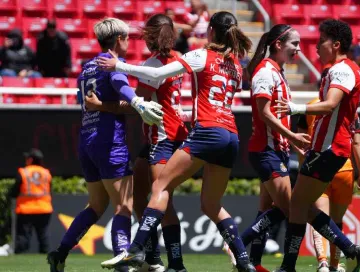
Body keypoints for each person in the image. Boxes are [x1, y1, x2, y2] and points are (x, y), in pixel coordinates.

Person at [97, 11, 256, 272]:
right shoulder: (236, 66)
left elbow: (159, 75)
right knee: (211, 204)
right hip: (231, 135)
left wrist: (119, 66)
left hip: (204, 131)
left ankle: (137, 250)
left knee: (160, 186)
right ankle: (244, 261)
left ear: (212, 32)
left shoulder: (199, 55)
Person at [46, 17, 163, 272]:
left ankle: (59, 253)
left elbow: (94, 104)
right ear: (119, 40)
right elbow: (122, 87)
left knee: (96, 205)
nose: (129, 42)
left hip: (87, 142)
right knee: (124, 206)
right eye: (127, 38)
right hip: (110, 142)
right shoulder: (113, 66)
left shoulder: (86, 68)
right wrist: (138, 104)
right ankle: (123, 260)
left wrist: (126, 106)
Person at [84, 14, 190, 272]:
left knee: (161, 201)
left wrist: (100, 106)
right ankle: (152, 258)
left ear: (149, 36)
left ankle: (175, 263)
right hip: (165, 133)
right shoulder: (176, 59)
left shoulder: (154, 63)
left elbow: (134, 106)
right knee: (141, 198)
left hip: (162, 137)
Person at [273, 19, 360, 272]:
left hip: (329, 149)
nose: (315, 47)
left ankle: (289, 266)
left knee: (298, 205)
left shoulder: (343, 70)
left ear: (336, 44)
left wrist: (296, 107)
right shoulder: (338, 69)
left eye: (321, 40)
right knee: (301, 205)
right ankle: (349, 249)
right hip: (323, 149)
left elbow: (330, 105)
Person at [222, 24, 310, 272]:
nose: (299, 49)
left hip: (277, 149)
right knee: (291, 210)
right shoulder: (265, 72)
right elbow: (265, 114)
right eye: (295, 44)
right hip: (266, 150)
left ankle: (254, 262)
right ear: (279, 44)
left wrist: (292, 142)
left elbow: (278, 117)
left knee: (266, 210)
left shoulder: (278, 71)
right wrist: (293, 136)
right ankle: (238, 245)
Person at [296, 100, 360, 272]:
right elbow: (357, 143)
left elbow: (301, 139)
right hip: (344, 169)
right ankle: (335, 266)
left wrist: (303, 166)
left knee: (320, 218)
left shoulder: (311, 105)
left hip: (318, 167)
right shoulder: (350, 108)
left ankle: (323, 263)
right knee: (336, 221)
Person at [8, 148, 52, 254]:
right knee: (43, 236)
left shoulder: (24, 172)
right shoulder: (46, 173)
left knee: (23, 236)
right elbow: (50, 189)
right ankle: (47, 261)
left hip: (26, 210)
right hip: (44, 209)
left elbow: (14, 191)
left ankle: (21, 261)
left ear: (31, 159)